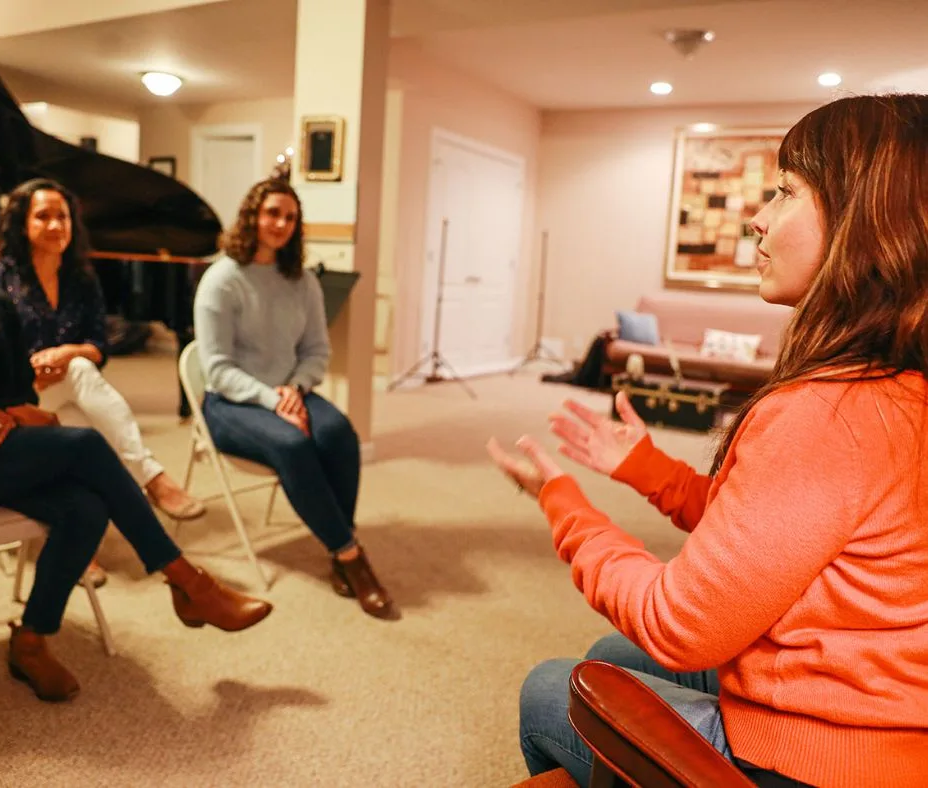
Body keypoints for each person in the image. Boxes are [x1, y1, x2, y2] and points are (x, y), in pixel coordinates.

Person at [488, 94, 928, 788]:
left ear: (864, 225)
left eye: (785, 192)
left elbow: (675, 622)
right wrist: (646, 467)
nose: (757, 215)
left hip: (818, 759)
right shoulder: (900, 390)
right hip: (887, 722)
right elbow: (776, 537)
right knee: (610, 650)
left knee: (554, 688)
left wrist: (561, 502)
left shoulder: (831, 414)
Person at [0, 281, 273, 703]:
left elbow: (16, 387)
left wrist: (15, 409)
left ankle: (30, 642)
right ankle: (188, 583)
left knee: (84, 508)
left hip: (2, 448)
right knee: (85, 447)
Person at [193, 177, 396, 620]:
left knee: (340, 433)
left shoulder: (302, 281)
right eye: (272, 213)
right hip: (231, 403)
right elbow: (218, 369)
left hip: (290, 391)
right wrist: (273, 400)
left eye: (289, 217)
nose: (280, 223)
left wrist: (295, 389)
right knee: (293, 444)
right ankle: (349, 556)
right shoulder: (221, 280)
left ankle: (338, 539)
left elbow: (316, 350)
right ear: (253, 216)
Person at [0, 179, 206, 585]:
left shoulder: (83, 278)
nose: (56, 225)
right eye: (43, 216)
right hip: (16, 402)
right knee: (87, 425)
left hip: (67, 391)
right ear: (22, 224)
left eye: (63, 216)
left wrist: (67, 353)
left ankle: (72, 539)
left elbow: (98, 346)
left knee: (82, 399)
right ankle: (151, 479)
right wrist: (29, 368)